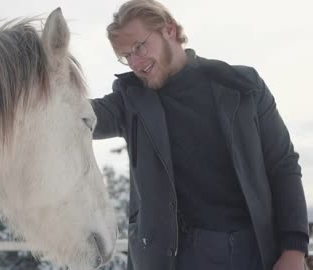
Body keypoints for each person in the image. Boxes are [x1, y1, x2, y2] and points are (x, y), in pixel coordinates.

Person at [90, 0, 309, 269]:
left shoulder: (243, 87)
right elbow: (79, 117)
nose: (134, 62)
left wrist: (294, 250)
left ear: (168, 30)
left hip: (255, 250)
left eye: (139, 47)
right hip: (180, 256)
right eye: (126, 56)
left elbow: (283, 164)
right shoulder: (130, 100)